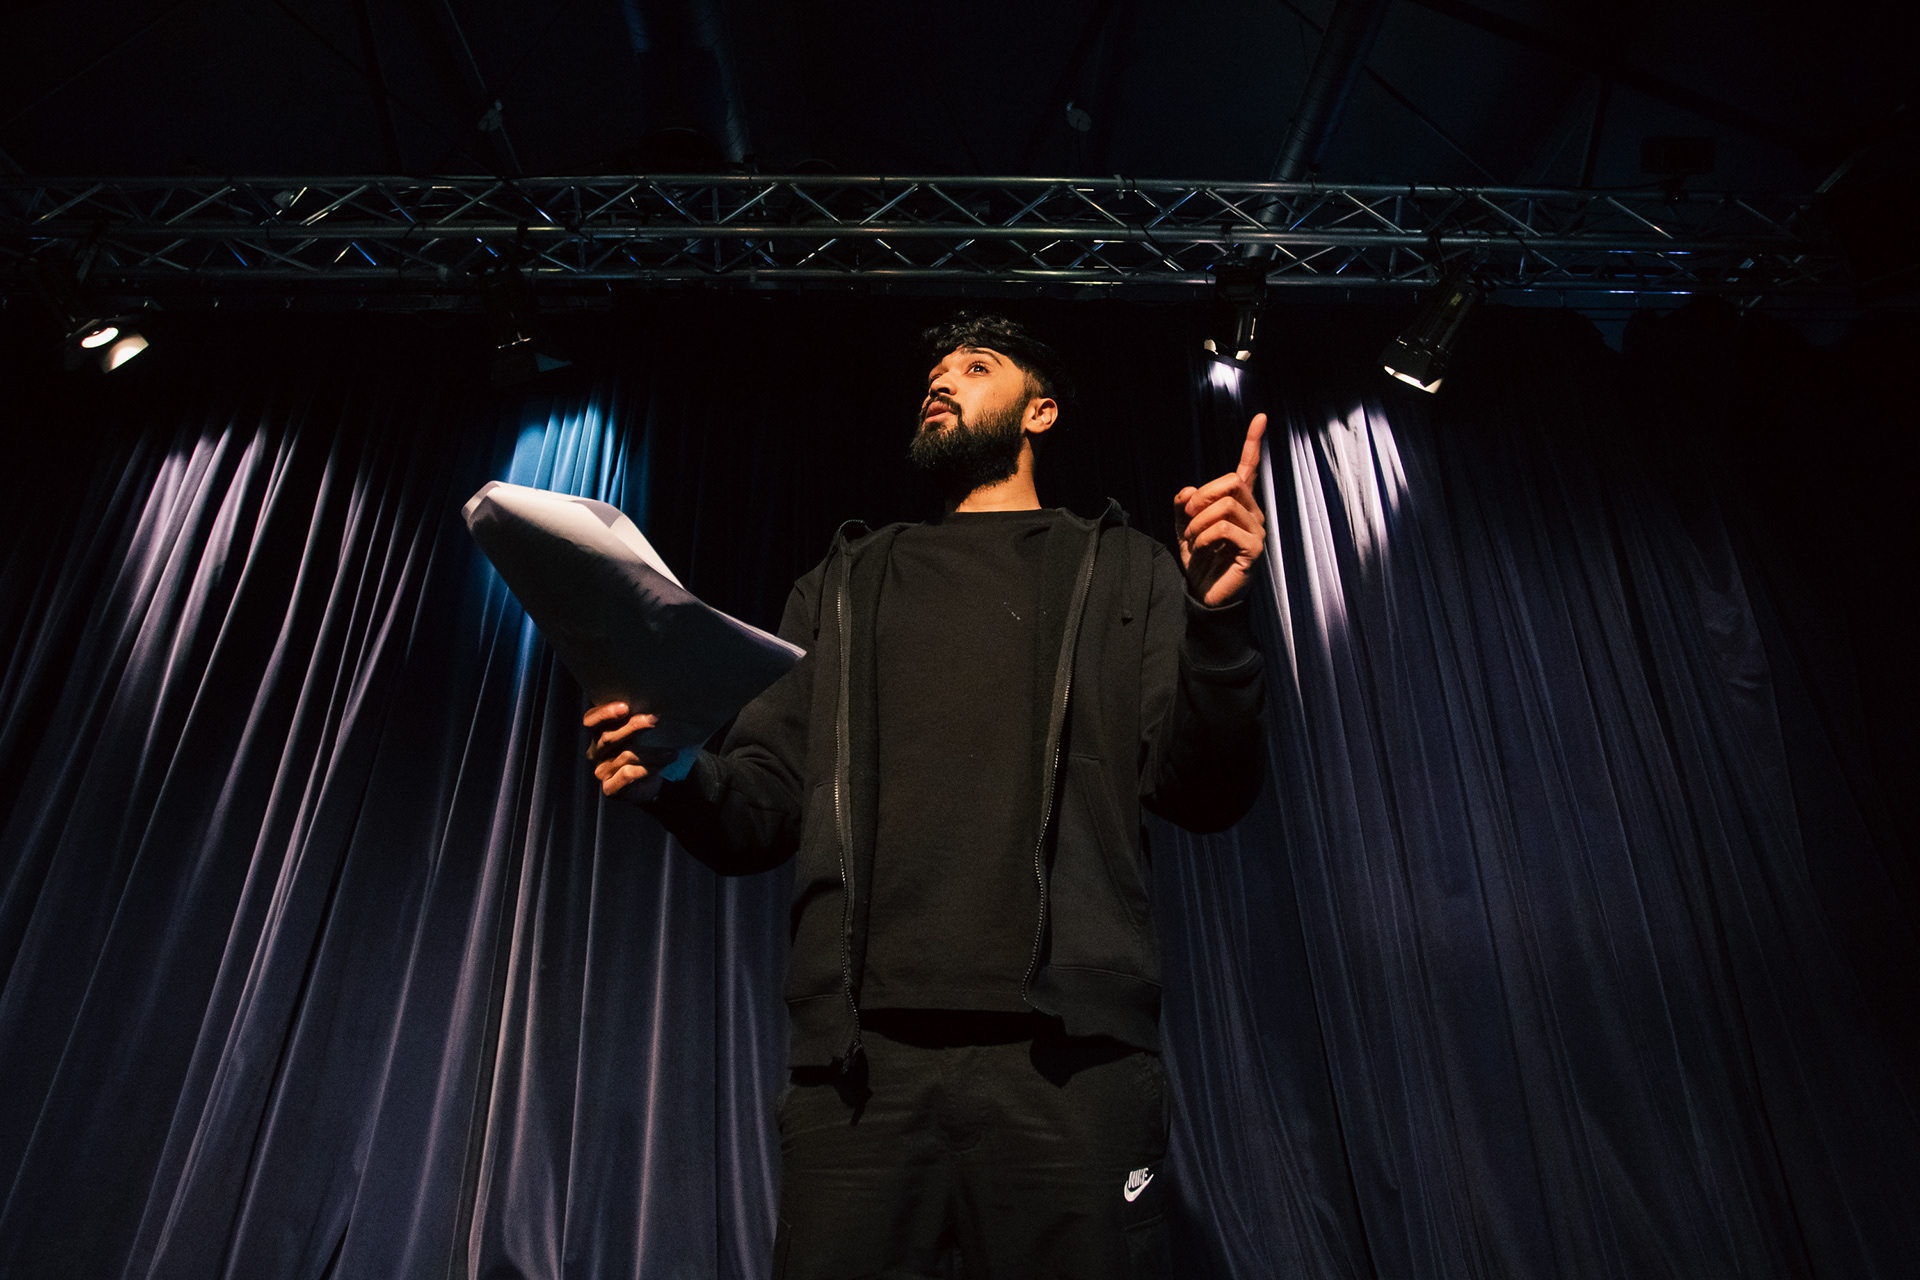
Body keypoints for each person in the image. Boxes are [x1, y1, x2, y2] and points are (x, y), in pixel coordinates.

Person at [584, 313, 1268, 1278]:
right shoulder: (841, 587)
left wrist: (1218, 617)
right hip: (861, 1079)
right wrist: (678, 775)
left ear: (1043, 409)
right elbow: (764, 808)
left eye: (976, 367)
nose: (941, 381)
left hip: (1071, 1071)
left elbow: (1205, 789)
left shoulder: (1124, 568)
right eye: (937, 371)